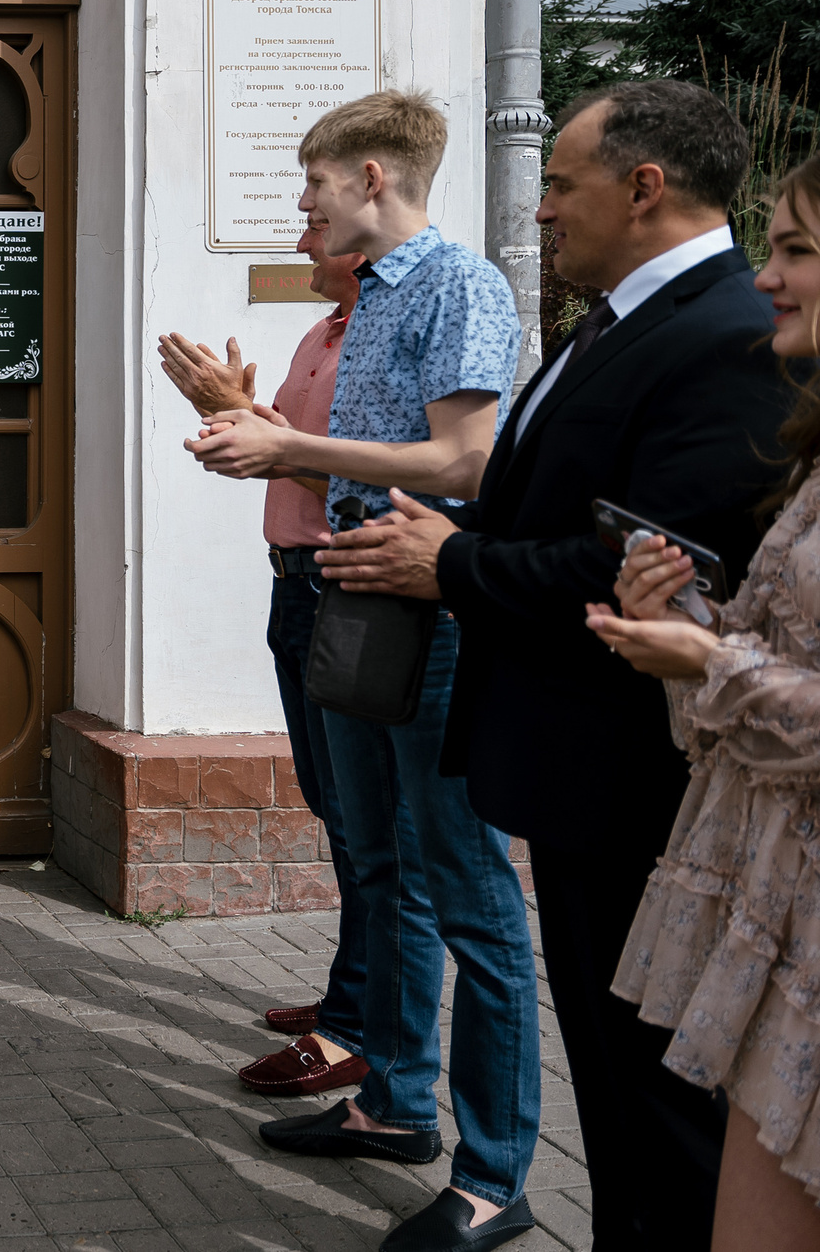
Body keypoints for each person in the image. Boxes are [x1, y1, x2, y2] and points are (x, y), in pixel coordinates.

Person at [334, 80, 791, 1252]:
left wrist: (454, 568)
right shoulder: (622, 317)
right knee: (612, 1083)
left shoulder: (726, 333)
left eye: (558, 184)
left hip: (634, 779)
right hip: (572, 771)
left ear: (643, 189)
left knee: (657, 1103)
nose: (539, 211)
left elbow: (637, 567)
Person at [187, 90, 540, 1252]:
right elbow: (355, 455)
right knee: (378, 866)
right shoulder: (372, 299)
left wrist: (286, 443)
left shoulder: (459, 287)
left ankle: (494, 1178)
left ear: (374, 177)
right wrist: (251, 431)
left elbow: (463, 460)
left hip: (432, 624)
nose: (302, 205)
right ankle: (394, 1105)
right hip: (353, 606)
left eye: (313, 186)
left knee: (473, 900)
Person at [588, 147, 820, 1252]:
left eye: (796, 251)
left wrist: (705, 664)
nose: (766, 278)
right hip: (779, 907)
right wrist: (693, 624)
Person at [159, 221, 383, 1100]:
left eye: (316, 224)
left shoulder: (378, 338)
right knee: (334, 805)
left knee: (367, 824)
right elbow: (294, 461)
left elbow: (375, 481)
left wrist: (255, 421)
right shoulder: (317, 332)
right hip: (294, 588)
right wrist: (240, 427)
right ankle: (347, 994)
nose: (299, 236)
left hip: (342, 589)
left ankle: (354, 1030)